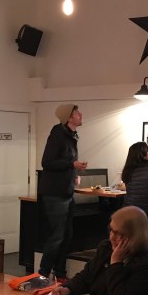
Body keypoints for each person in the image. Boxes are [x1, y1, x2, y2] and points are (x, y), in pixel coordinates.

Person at [38, 104, 87, 284]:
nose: (80, 115)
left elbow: (65, 162)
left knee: (67, 236)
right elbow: (47, 162)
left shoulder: (71, 136)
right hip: (55, 194)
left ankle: (59, 273)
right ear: (69, 117)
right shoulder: (58, 134)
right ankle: (42, 275)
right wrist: (71, 165)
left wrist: (74, 175)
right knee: (57, 236)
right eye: (76, 113)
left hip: (66, 192)